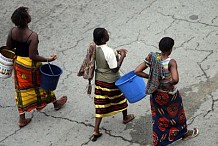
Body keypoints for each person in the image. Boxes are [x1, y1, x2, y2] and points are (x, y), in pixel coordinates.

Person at [4, 6, 67, 128]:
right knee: (43, 84)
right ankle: (55, 103)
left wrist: (19, 50)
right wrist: (48, 59)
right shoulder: (32, 36)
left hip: (19, 64)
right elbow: (33, 56)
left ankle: (22, 119)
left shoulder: (12, 31)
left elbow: (9, 48)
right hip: (31, 66)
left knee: (20, 90)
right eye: (28, 14)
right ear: (26, 19)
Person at [134, 37, 199, 146]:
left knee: (159, 119)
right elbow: (175, 79)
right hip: (169, 96)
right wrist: (168, 83)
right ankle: (183, 133)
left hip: (156, 94)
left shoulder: (152, 57)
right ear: (170, 49)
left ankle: (159, 142)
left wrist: (151, 77)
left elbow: (137, 71)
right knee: (178, 115)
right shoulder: (171, 62)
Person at [90, 28, 135, 141]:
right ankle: (125, 117)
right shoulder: (109, 51)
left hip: (99, 80)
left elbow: (104, 56)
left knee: (100, 103)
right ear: (102, 38)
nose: (108, 35)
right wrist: (123, 55)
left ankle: (96, 129)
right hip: (111, 81)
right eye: (106, 34)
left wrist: (115, 52)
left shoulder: (95, 47)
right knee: (120, 98)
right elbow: (114, 69)